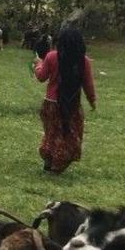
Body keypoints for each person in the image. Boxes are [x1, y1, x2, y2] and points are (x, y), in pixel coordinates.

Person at [34, 25, 96, 174]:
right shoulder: (84, 61)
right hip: (72, 104)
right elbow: (88, 83)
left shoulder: (51, 56)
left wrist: (38, 64)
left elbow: (42, 77)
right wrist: (92, 100)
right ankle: (58, 163)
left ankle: (50, 160)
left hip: (51, 104)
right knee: (69, 134)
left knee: (52, 134)